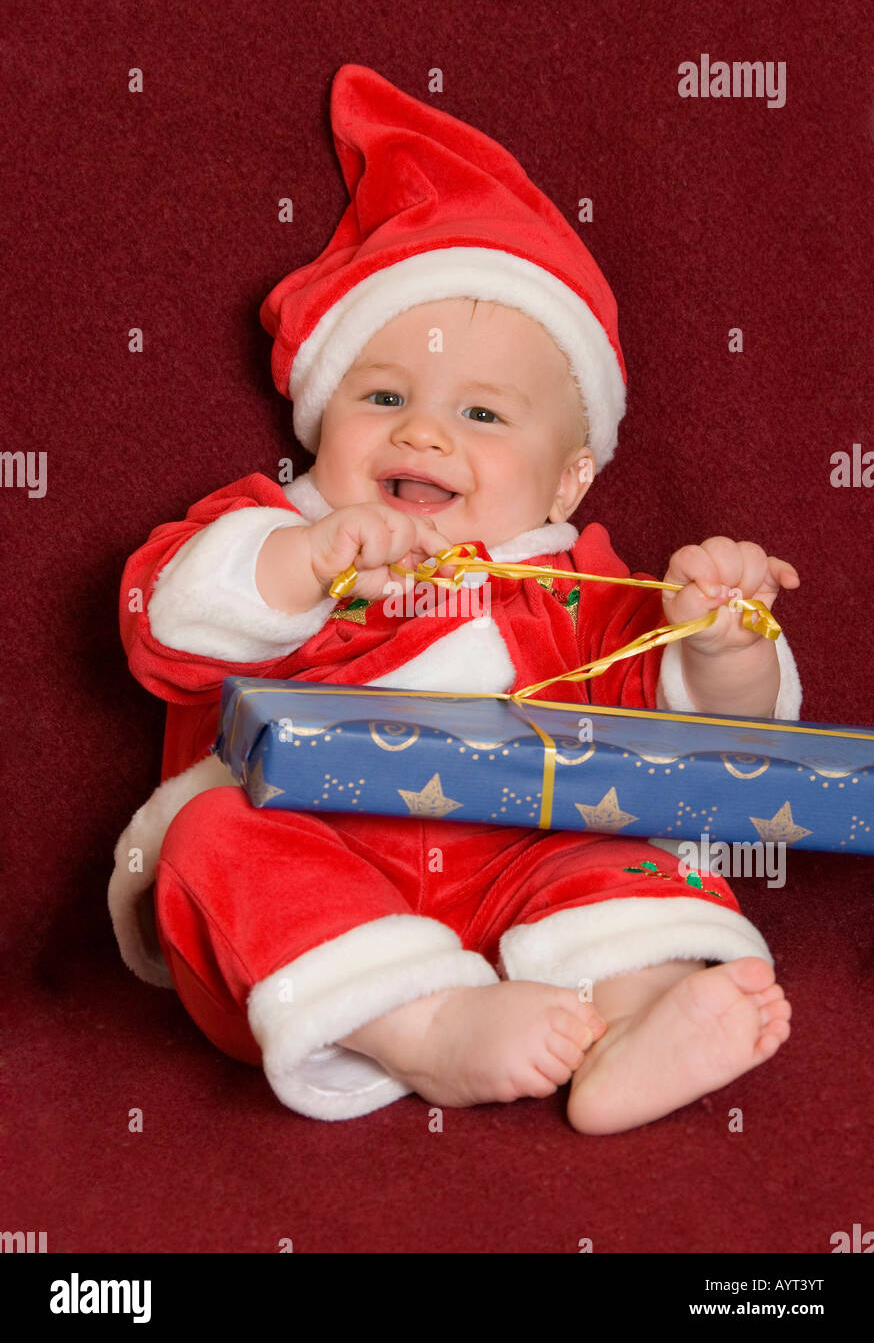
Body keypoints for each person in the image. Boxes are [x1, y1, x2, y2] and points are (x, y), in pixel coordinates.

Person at [109, 65, 796, 1130]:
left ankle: (638, 1015)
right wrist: (304, 562)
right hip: (327, 856)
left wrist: (721, 639)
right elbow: (164, 621)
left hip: (528, 851)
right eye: (383, 397)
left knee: (625, 847)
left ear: (568, 477)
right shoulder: (275, 536)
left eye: (482, 413)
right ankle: (419, 1025)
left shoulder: (578, 585)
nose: (423, 433)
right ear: (320, 419)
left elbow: (707, 741)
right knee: (207, 839)